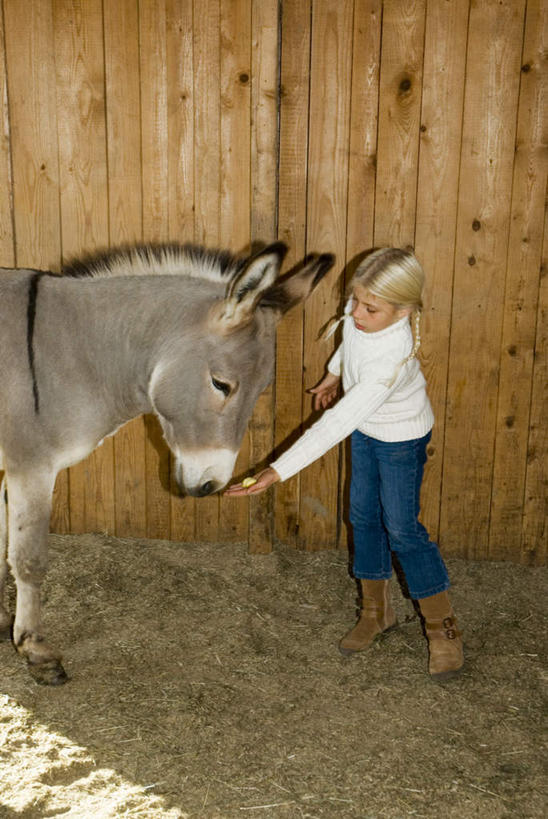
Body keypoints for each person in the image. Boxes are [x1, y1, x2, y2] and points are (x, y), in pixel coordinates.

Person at [225, 247, 463, 680]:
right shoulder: (364, 317)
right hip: (367, 429)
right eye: (354, 300)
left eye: (369, 307)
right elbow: (350, 339)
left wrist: (274, 471)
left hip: (399, 438)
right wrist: (335, 373)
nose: (355, 311)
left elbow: (336, 423)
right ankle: (376, 612)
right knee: (363, 517)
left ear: (404, 311)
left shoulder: (392, 357)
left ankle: (442, 627)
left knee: (404, 529)